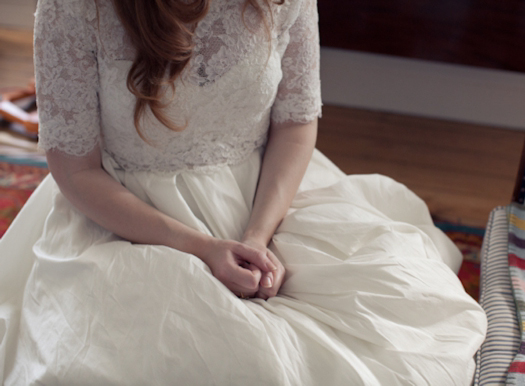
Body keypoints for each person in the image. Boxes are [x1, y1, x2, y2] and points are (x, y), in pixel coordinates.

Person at [0, 0, 487, 384]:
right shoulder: (73, 6)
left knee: (400, 312)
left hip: (267, 195)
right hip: (126, 215)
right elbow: (77, 171)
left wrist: (257, 236)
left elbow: (296, 124)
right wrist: (202, 248)